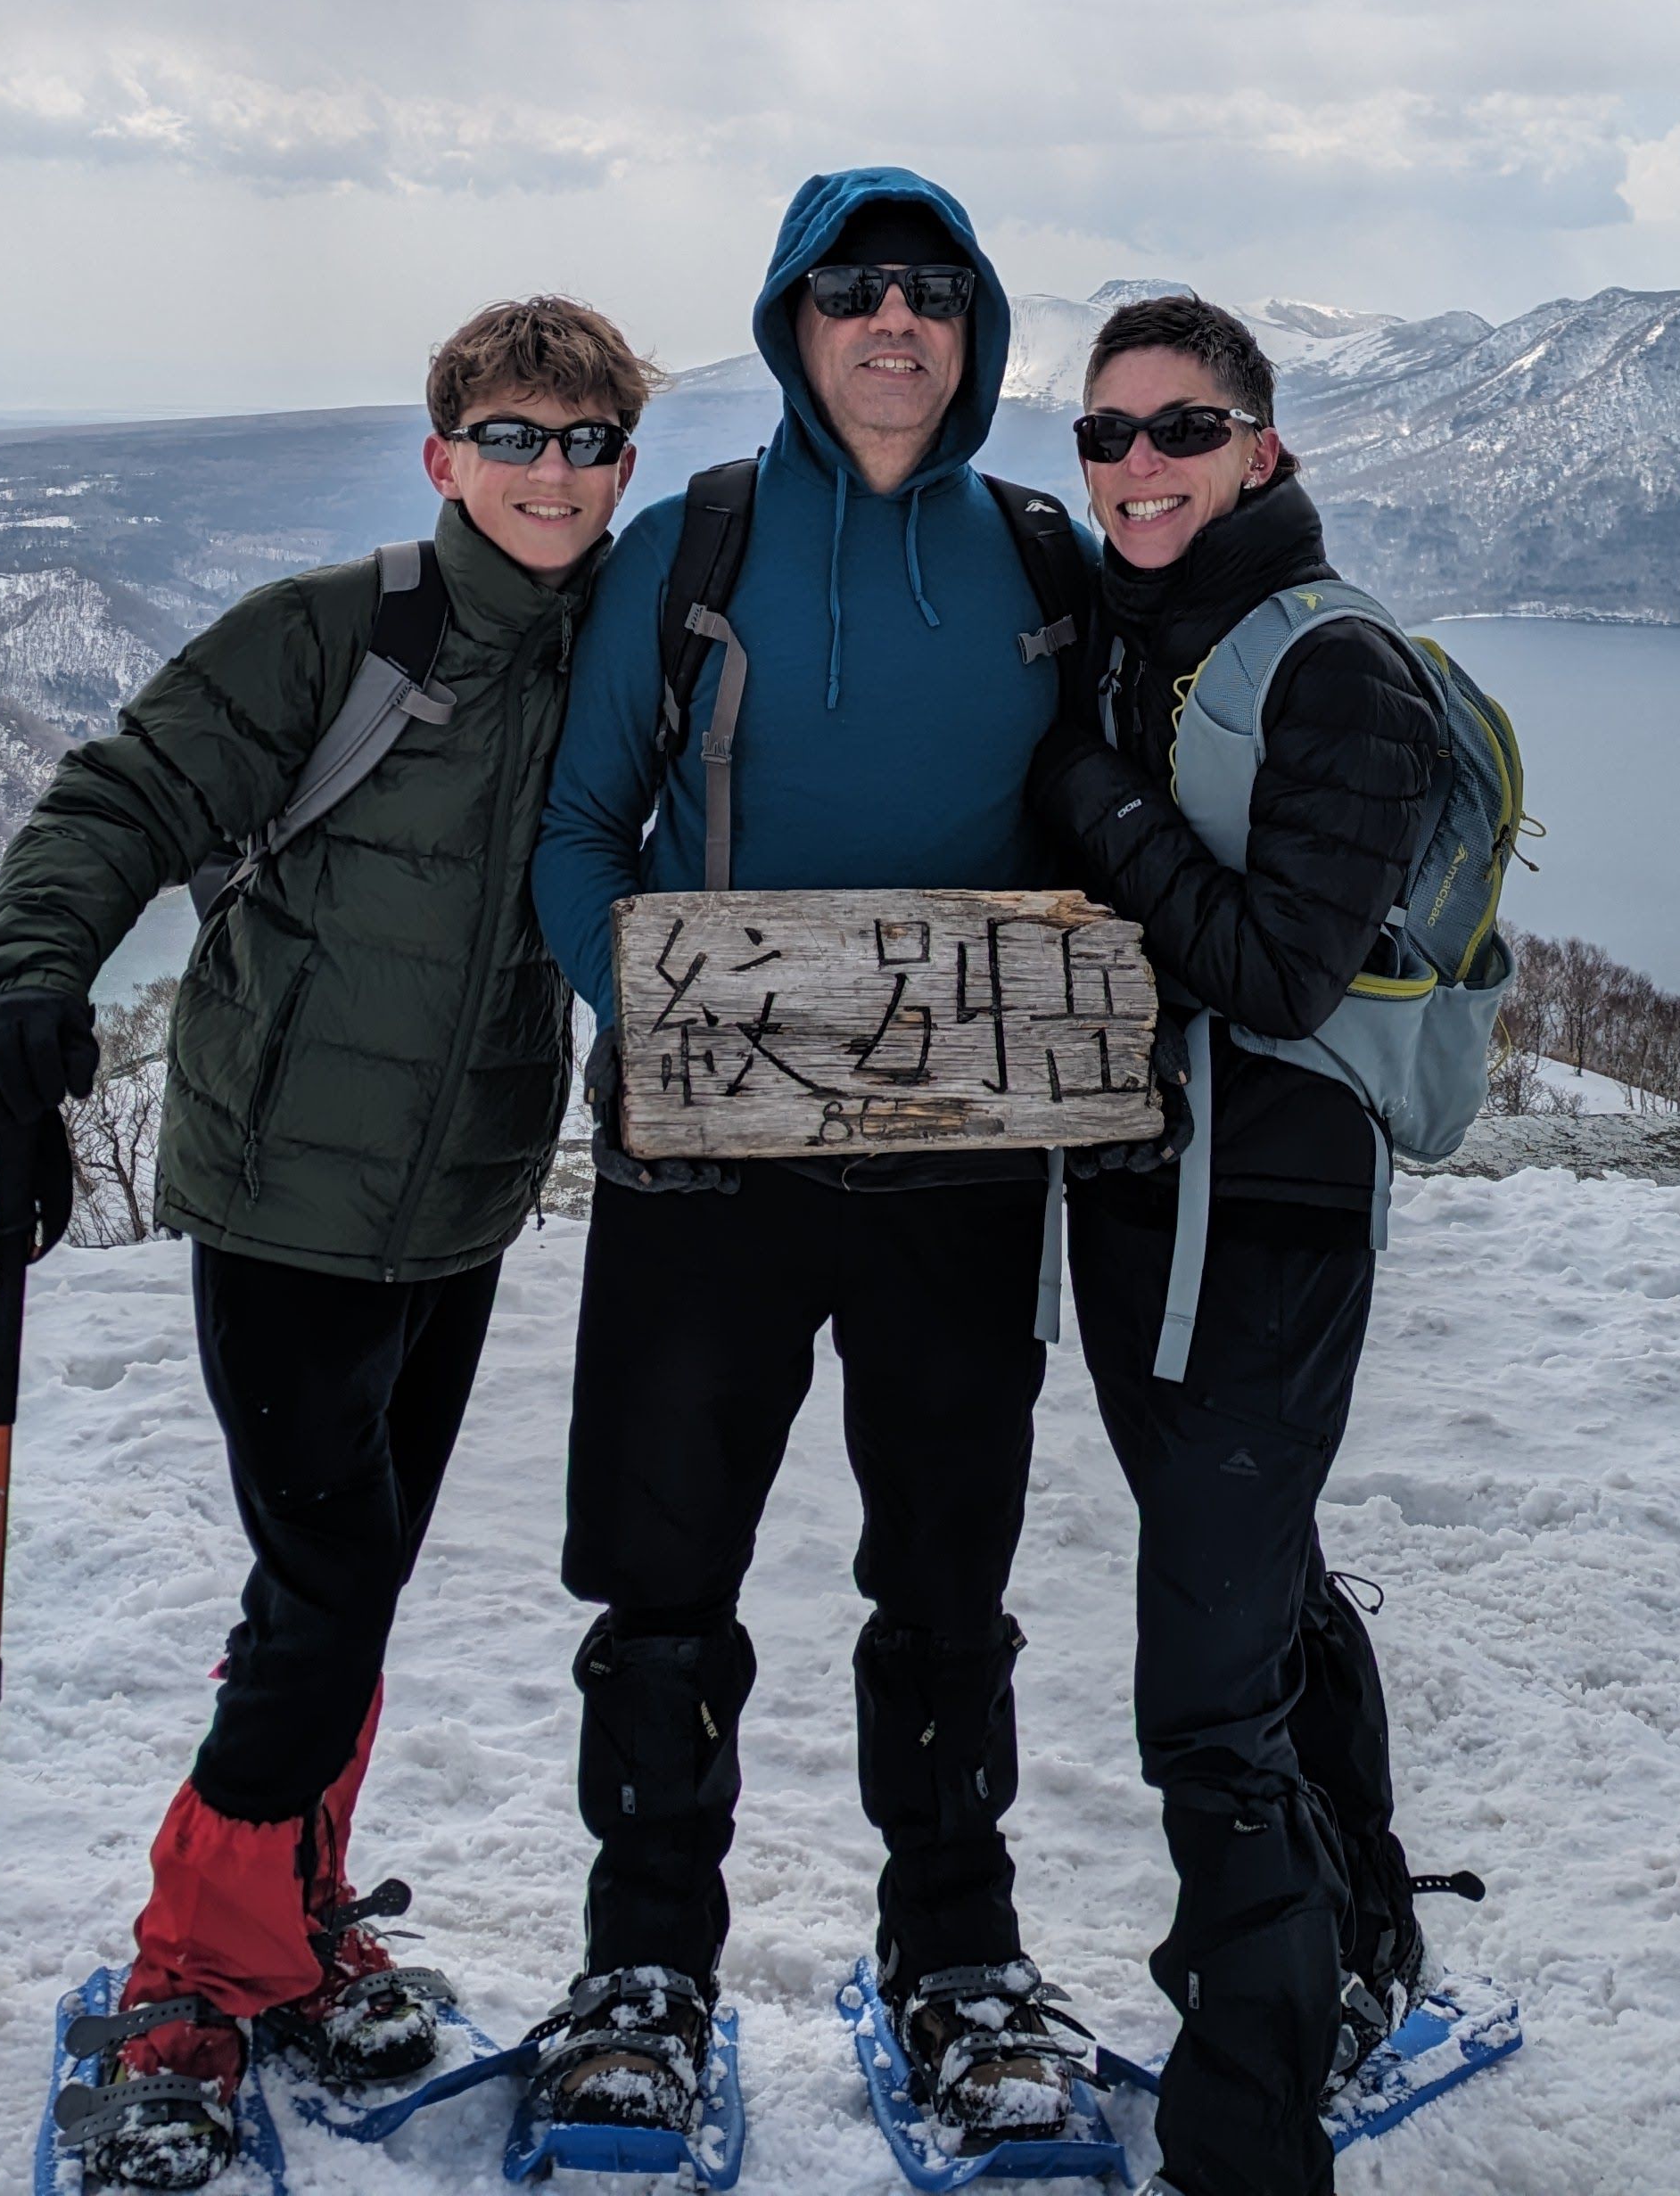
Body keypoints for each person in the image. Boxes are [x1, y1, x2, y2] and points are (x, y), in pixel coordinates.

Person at [0, 295, 662, 2188]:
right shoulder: (336, 634)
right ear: (441, 458)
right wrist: (29, 984)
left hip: (461, 1201)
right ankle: (192, 1959)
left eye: (586, 442)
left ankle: (297, 1909)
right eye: (512, 436)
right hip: (279, 1195)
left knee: (348, 1580)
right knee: (326, 1578)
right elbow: (126, 791)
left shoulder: (614, 660)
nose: (551, 472)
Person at [520, 169, 1096, 2149]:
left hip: (957, 1164)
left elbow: (1106, 814)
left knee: (948, 1580)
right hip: (709, 1164)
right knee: (663, 1582)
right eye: (851, 288)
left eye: (932, 291)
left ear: (972, 329)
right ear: (791, 320)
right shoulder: (699, 543)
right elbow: (579, 830)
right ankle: (643, 1967)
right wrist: (674, 1019)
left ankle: (958, 1956)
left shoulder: (1037, 559)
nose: (892, 319)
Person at [1024, 292, 1450, 2196]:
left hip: (1267, 1226)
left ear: (1260, 445)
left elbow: (1279, 966)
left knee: (1202, 1686)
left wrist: (1094, 800)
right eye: (1104, 435)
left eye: (1178, 428)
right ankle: (1358, 1930)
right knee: (1257, 1590)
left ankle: (1247, 2123)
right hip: (1139, 1212)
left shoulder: (1334, 663)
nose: (1137, 465)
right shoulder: (1143, 635)